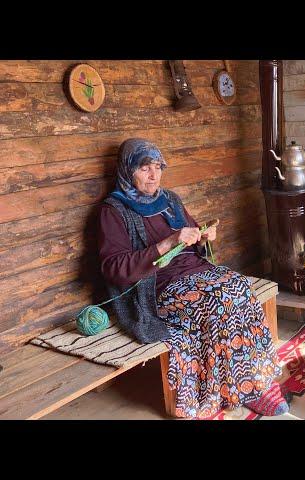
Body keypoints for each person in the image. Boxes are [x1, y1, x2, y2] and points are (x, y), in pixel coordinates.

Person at [98, 138, 289, 418]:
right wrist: (165, 244)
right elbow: (113, 267)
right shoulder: (113, 211)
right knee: (219, 301)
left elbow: (192, 237)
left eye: (158, 167)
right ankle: (238, 388)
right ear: (127, 170)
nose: (154, 175)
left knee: (239, 287)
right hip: (160, 288)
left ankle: (256, 379)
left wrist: (203, 236)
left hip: (198, 273)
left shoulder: (169, 200)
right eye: (144, 168)